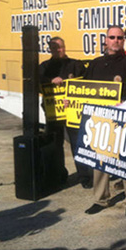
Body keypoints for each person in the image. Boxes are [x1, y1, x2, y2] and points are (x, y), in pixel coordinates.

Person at [83, 26, 126, 217]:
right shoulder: (95, 64)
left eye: (119, 37)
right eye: (112, 37)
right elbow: (83, 89)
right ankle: (101, 199)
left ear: (124, 40)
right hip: (99, 120)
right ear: (105, 40)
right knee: (99, 161)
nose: (116, 40)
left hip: (124, 120)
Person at [39, 36, 86, 185]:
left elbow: (85, 82)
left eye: (60, 47)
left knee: (78, 143)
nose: (58, 50)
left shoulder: (75, 64)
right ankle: (58, 174)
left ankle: (84, 176)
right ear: (50, 49)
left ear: (65, 47)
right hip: (54, 111)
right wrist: (50, 81)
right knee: (55, 143)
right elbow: (36, 81)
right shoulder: (44, 66)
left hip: (73, 110)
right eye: (54, 47)